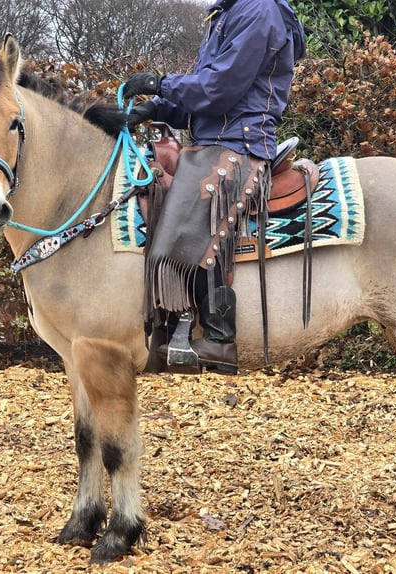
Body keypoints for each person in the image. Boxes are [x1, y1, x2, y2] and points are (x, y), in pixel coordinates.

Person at [123, 0, 306, 374]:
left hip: (241, 141)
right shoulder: (225, 13)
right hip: (214, 135)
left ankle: (220, 339)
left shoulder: (259, 10)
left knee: (197, 200)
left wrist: (161, 84)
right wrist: (156, 108)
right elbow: (200, 99)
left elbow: (219, 89)